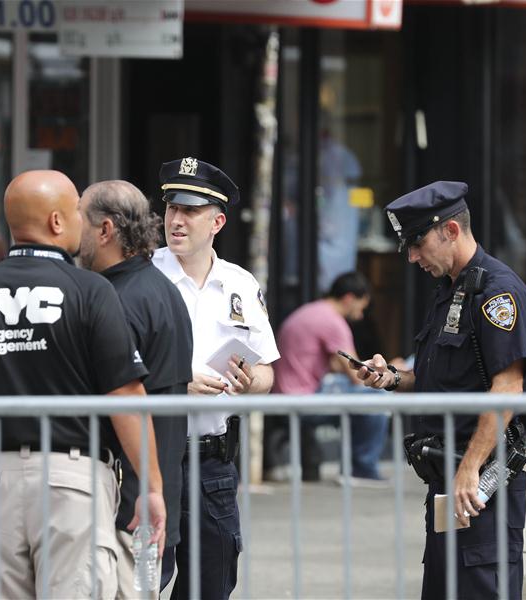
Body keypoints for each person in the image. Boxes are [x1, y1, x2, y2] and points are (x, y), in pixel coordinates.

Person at [0, 169, 167, 598]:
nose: (80, 220)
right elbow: (125, 395)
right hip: (70, 482)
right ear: (57, 222)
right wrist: (151, 487)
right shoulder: (89, 290)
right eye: (75, 210)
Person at [352, 181, 526, 599]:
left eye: (418, 243)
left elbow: (507, 386)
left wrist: (470, 467)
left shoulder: (496, 293)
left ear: (451, 231)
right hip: (448, 480)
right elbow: (443, 382)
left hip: (480, 485)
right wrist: (391, 378)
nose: (413, 256)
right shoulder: (452, 290)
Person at [151, 157, 280, 600]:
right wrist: (173, 378)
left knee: (212, 585)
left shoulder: (240, 283)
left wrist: (250, 382)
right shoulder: (143, 275)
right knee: (141, 582)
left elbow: (267, 370)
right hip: (152, 456)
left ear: (218, 221)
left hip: (213, 464)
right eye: (171, 208)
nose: (176, 220)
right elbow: (110, 364)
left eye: (190, 211)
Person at [77, 180, 193, 598]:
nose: (73, 232)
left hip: (127, 505)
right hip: (148, 499)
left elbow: (124, 401)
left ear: (105, 230)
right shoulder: (161, 289)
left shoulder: (115, 300)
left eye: (80, 219)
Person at [272, 271, 389, 484]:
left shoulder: (312, 311)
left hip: (285, 393)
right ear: (349, 298)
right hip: (302, 399)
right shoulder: (333, 322)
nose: (361, 315)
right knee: (376, 399)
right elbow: (357, 375)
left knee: (358, 395)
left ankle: (355, 466)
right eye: (361, 307)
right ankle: (360, 470)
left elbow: (336, 365)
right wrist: (390, 371)